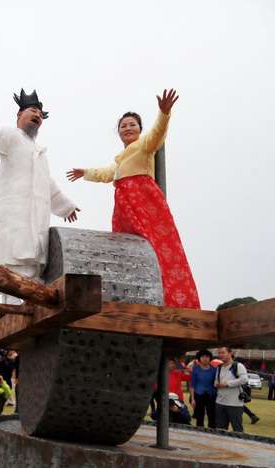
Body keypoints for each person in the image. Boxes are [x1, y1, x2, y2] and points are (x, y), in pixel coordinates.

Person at [67, 89, 199, 309]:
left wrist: (164, 113)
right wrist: (85, 172)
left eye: (132, 125)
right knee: (126, 249)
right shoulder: (120, 160)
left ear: (140, 130)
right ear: (119, 132)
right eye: (123, 126)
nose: (127, 128)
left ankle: (173, 300)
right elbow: (106, 173)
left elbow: (157, 133)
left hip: (144, 202)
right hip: (125, 207)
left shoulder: (144, 147)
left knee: (156, 246)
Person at [0, 89, 79, 303]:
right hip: (14, 221)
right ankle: (11, 315)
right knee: (12, 272)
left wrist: (66, 207)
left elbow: (49, 185)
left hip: (36, 226)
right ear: (19, 115)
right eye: (32, 110)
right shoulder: (12, 137)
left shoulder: (40, 153)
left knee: (34, 274)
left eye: (40, 113)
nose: (37, 115)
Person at [214, 346, 249, 432]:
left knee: (237, 430)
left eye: (223, 352)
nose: (220, 355)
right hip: (220, 402)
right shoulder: (219, 367)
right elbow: (216, 381)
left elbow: (244, 379)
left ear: (230, 353)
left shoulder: (238, 366)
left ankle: (239, 445)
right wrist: (217, 384)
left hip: (235, 404)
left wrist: (227, 384)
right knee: (220, 430)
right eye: (219, 353)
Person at [189, 349, 217, 428]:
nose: (205, 358)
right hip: (198, 395)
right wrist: (193, 399)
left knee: (212, 415)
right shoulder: (195, 369)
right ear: (199, 358)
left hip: (211, 395)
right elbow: (192, 384)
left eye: (207, 356)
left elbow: (216, 383)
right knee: (199, 416)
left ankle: (212, 432)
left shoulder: (214, 369)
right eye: (203, 356)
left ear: (210, 358)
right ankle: (199, 432)